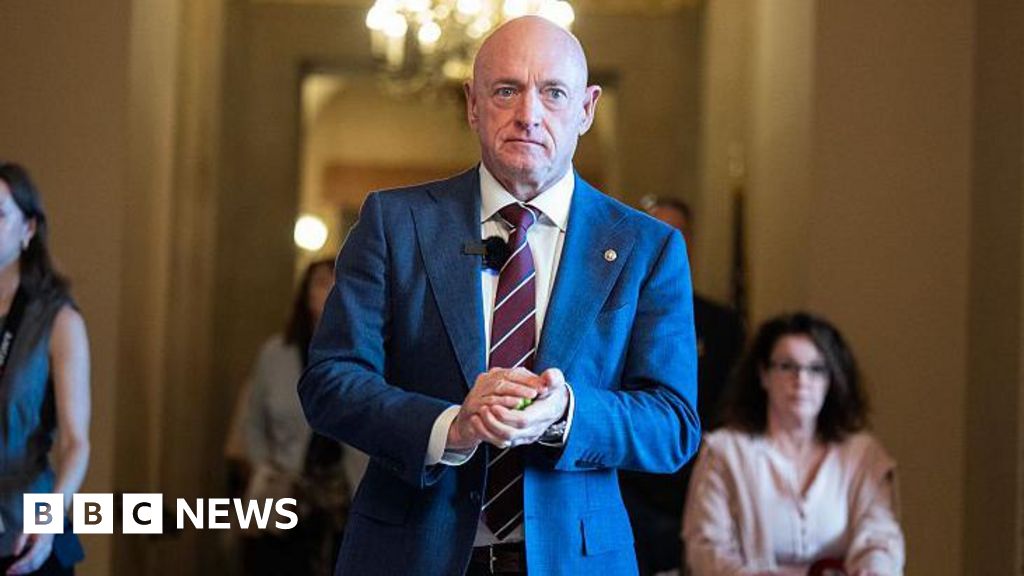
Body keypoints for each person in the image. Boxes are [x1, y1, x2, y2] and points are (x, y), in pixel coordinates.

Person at [298, 15, 700, 576]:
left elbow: (673, 423)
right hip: (409, 555)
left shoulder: (645, 246)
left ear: (586, 108)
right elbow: (330, 382)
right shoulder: (395, 222)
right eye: (507, 90)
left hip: (576, 560)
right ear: (472, 104)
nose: (528, 114)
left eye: (553, 93)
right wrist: (449, 427)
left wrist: (567, 413)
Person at [683, 312, 905, 576]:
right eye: (787, 366)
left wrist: (872, 570)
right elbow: (706, 548)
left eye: (816, 369)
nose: (801, 380)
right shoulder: (724, 452)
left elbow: (880, 538)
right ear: (764, 375)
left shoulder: (863, 455)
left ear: (831, 379)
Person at [620, 198, 745, 575]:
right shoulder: (614, 313)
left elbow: (730, 403)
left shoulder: (721, 324)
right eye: (657, 229)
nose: (665, 240)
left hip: (695, 480)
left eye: (676, 232)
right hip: (628, 481)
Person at [0, 162, 90, 576]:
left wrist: (49, 518)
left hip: (23, 531)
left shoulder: (58, 321)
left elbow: (76, 442)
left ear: (28, 229)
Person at [241, 258, 348, 576]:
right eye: (321, 283)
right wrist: (265, 470)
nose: (329, 291)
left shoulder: (367, 351)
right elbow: (253, 423)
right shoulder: (276, 353)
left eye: (337, 283)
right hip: (285, 489)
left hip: (344, 496)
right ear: (306, 293)